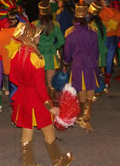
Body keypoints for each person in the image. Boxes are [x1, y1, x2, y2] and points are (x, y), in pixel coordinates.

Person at [10, 22, 73, 165]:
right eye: (37, 35)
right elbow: (40, 87)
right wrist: (50, 106)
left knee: (27, 132)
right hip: (37, 100)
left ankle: (28, 163)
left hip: (23, 97)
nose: (39, 36)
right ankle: (58, 160)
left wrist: (24, 85)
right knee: (49, 131)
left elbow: (12, 77)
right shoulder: (36, 58)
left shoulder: (16, 53)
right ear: (30, 38)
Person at [63, 2, 99, 131]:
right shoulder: (93, 30)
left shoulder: (70, 32)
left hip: (78, 63)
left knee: (81, 88)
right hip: (91, 62)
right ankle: (87, 113)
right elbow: (96, 49)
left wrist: (66, 63)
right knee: (90, 86)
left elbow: (67, 52)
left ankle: (82, 115)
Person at [33, 0, 65, 98]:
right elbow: (62, 41)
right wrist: (53, 47)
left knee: (38, 81)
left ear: (39, 10)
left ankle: (39, 101)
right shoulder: (55, 24)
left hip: (37, 55)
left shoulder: (34, 24)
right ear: (50, 10)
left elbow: (31, 40)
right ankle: (51, 104)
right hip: (51, 55)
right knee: (51, 83)